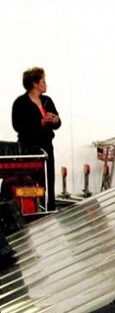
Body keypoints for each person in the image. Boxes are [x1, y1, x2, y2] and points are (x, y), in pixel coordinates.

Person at [12, 67, 62, 211]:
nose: (45, 84)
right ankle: (31, 209)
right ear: (34, 83)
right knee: (31, 180)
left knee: (48, 179)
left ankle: (49, 208)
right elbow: (18, 126)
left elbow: (57, 123)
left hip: (46, 145)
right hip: (30, 148)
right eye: (43, 81)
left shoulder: (47, 101)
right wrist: (41, 122)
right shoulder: (20, 103)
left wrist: (55, 120)